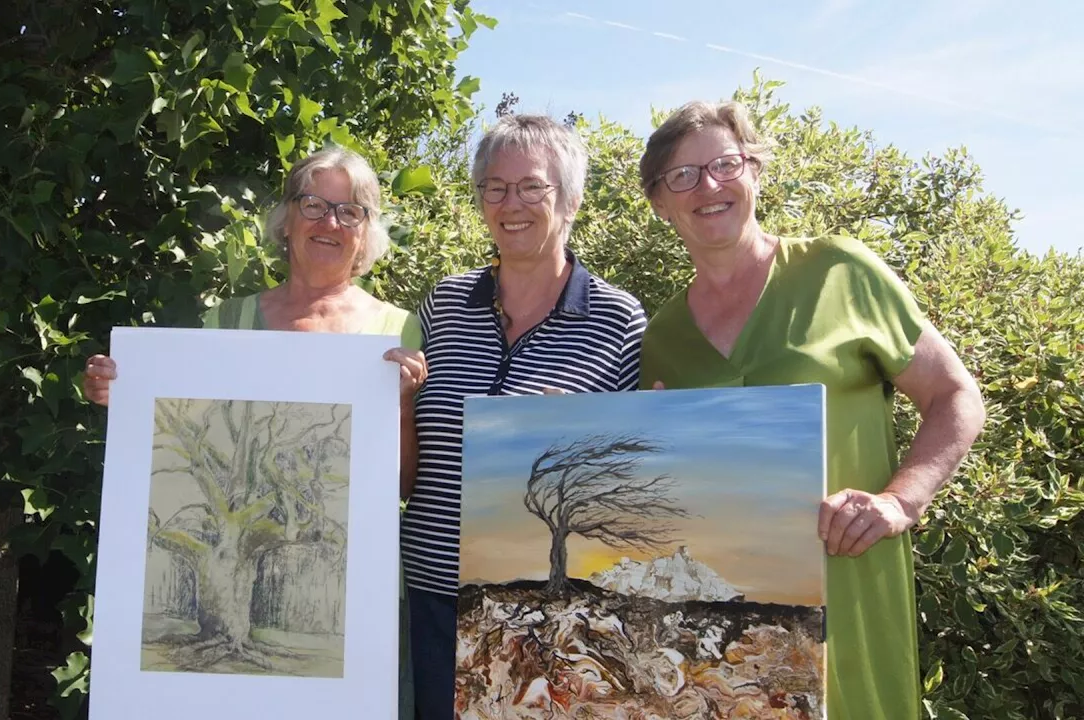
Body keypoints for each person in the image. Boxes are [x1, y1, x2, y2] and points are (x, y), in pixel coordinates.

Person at [636, 100, 985, 720]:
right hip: (726, 622)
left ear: (756, 172)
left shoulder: (840, 271)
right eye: (682, 176)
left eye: (725, 164)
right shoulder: (660, 336)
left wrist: (900, 501)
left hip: (851, 585)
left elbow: (956, 395)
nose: (708, 186)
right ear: (660, 203)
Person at [81, 146, 426, 720]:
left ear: (366, 234)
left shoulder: (397, 330)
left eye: (350, 211)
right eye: (314, 204)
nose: (329, 222)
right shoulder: (226, 322)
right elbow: (186, 459)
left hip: (359, 599)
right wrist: (126, 395)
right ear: (286, 219)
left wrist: (402, 405)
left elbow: (407, 483)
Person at [401, 114, 648, 719]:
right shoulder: (444, 304)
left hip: (545, 617)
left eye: (532, 186)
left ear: (571, 200)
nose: (511, 203)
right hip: (429, 599)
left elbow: (630, 480)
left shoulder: (619, 320)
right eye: (495, 187)